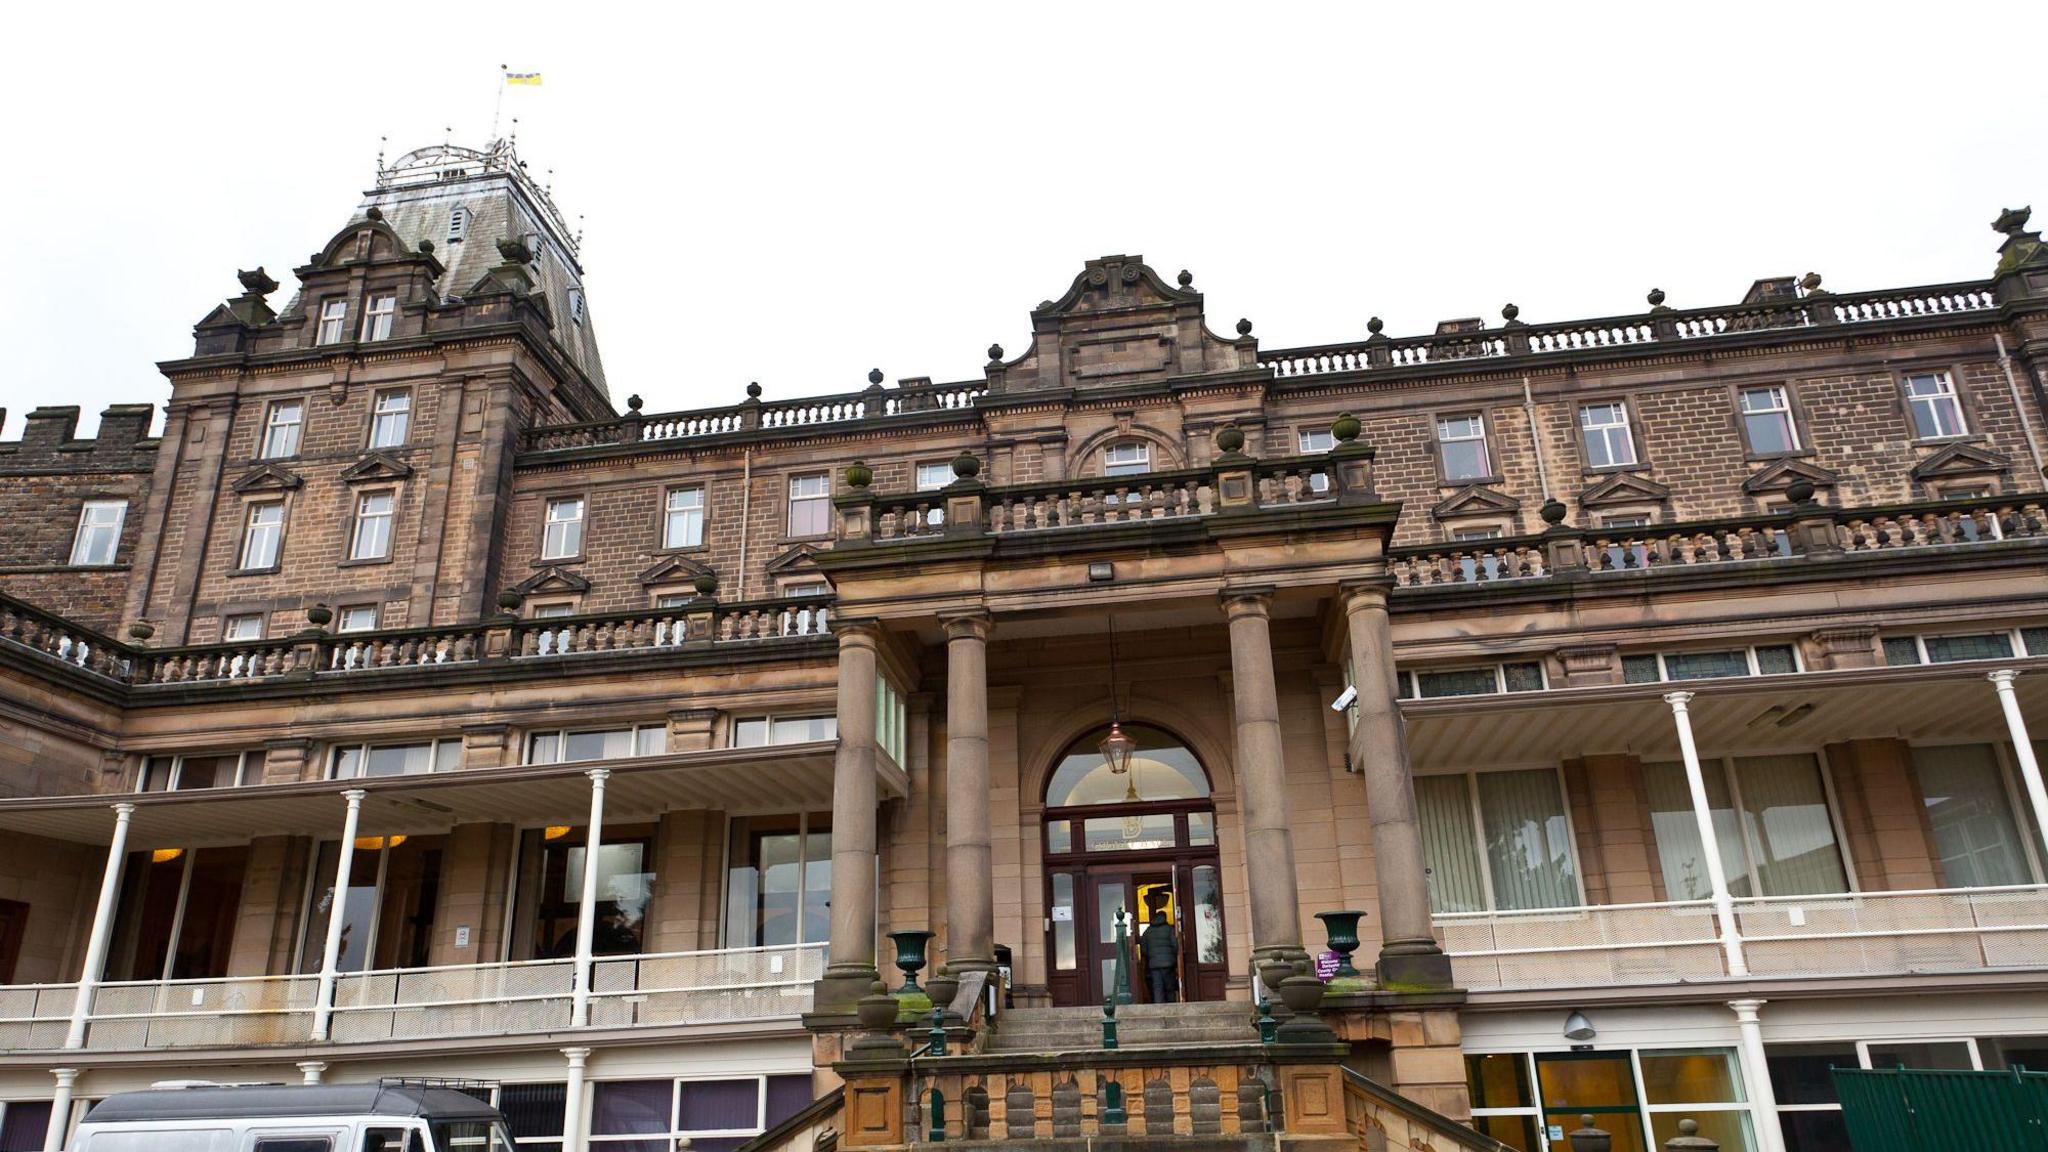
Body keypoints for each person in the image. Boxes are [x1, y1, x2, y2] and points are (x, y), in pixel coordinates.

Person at [1139, 909, 1180, 1004]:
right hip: (1168, 964)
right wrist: (1172, 956)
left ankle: (1159, 1010)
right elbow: (1175, 945)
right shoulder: (1169, 929)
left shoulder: (1148, 931)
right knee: (1170, 988)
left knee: (1158, 988)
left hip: (1154, 965)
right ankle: (1172, 1010)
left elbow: (1143, 949)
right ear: (1164, 918)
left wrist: (1152, 956)